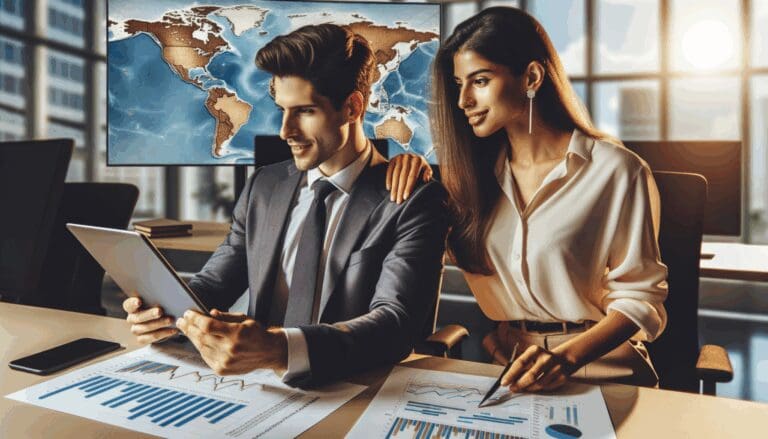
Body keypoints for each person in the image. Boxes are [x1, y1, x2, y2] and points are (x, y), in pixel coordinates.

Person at [122, 23, 449, 387]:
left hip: (351, 390)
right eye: (282, 109)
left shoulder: (412, 200)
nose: (285, 131)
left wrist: (280, 349)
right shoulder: (265, 185)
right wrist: (166, 314)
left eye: (305, 111)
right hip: (252, 386)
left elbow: (395, 323)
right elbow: (216, 282)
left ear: (353, 107)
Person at [387, 6, 667, 392]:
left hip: (603, 369)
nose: (463, 100)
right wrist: (414, 169)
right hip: (509, 369)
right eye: (458, 85)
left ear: (532, 76)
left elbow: (641, 299)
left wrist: (566, 358)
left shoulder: (616, 170)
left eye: (480, 81)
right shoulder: (469, 179)